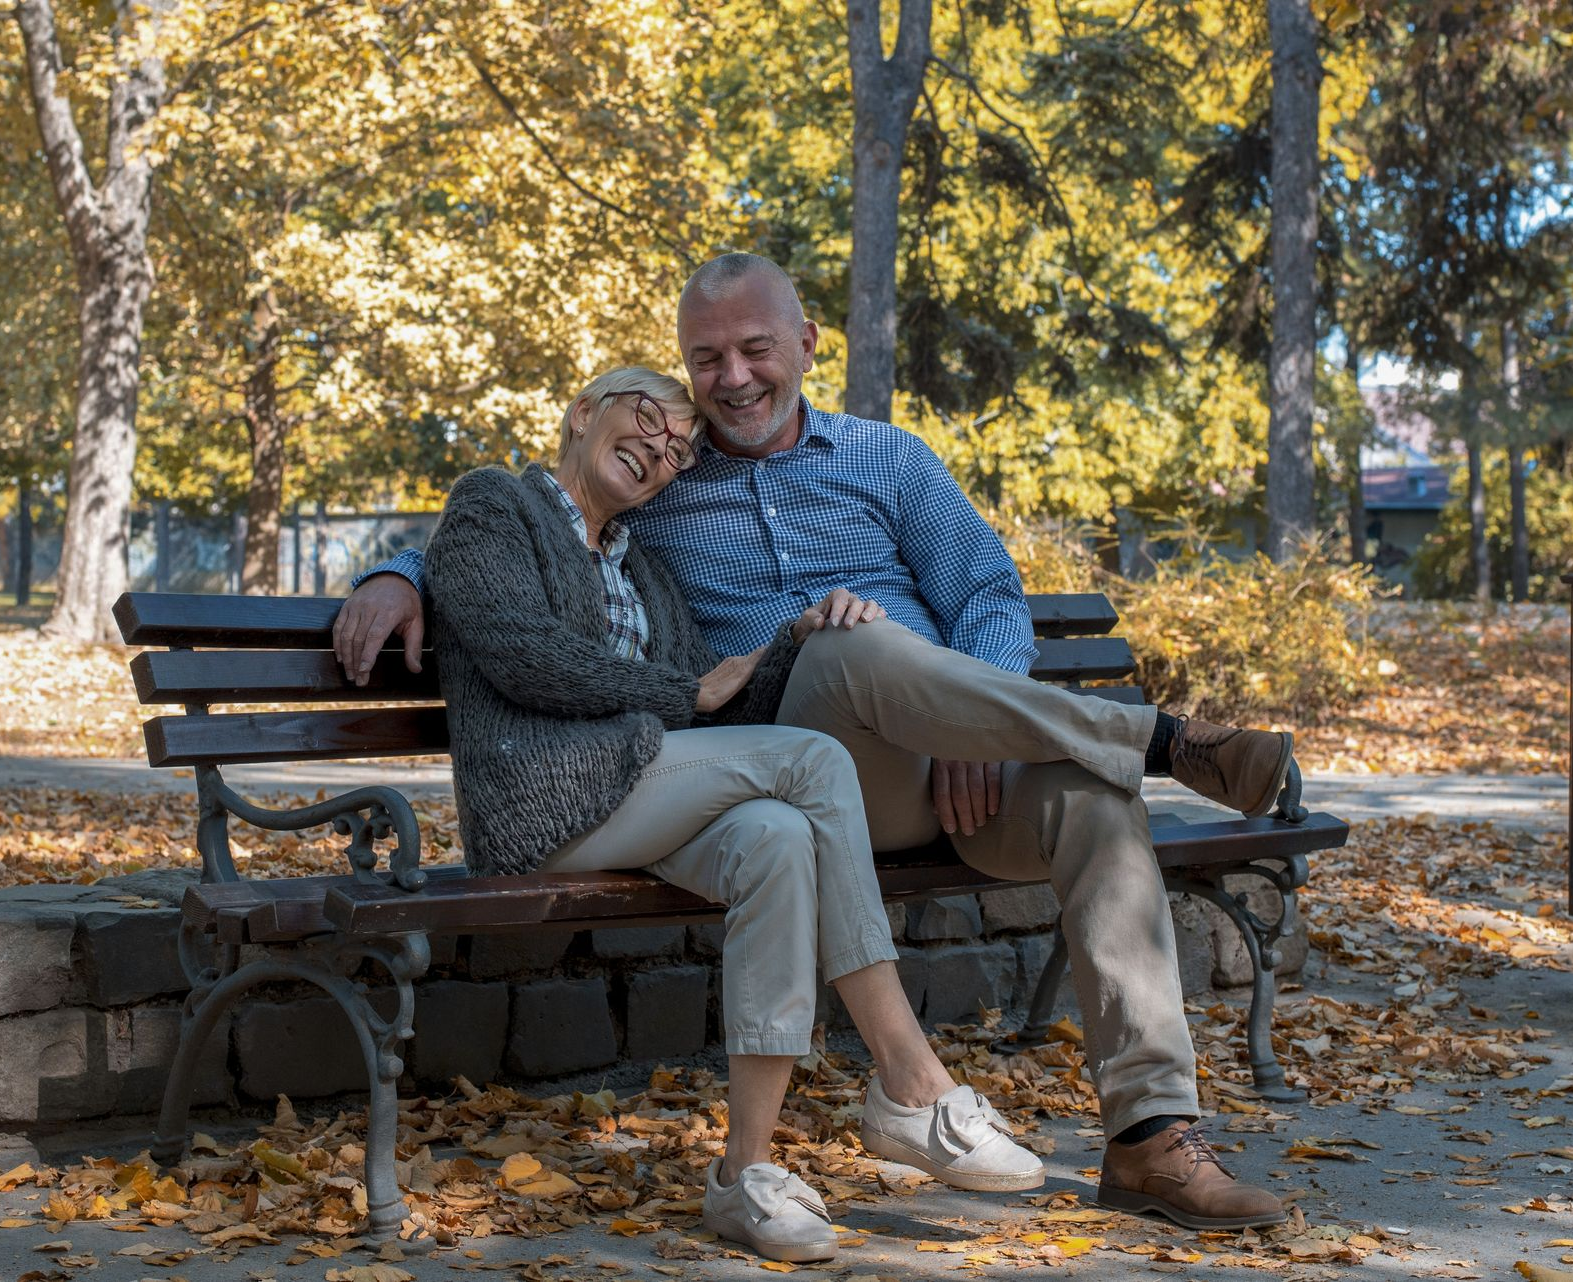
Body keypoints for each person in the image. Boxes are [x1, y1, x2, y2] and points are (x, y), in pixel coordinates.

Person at [335, 256, 1294, 1232]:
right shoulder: (666, 475)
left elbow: (989, 598)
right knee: (843, 637)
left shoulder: (890, 459)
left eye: (755, 349)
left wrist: (977, 724)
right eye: (704, 359)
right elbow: (524, 522)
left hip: (955, 765)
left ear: (806, 345)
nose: (732, 378)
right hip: (806, 753)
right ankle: (1161, 737)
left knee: (1095, 801)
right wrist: (394, 572)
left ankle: (1151, 1140)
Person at [422, 366, 1045, 1264]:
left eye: (680, 448)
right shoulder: (494, 505)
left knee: (777, 838)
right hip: (540, 803)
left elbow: (719, 705)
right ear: (582, 410)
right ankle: (912, 1080)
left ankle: (744, 1175)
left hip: (638, 793)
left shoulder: (642, 562)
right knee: (813, 763)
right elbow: (526, 655)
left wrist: (800, 639)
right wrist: (680, 689)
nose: (662, 449)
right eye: (647, 418)